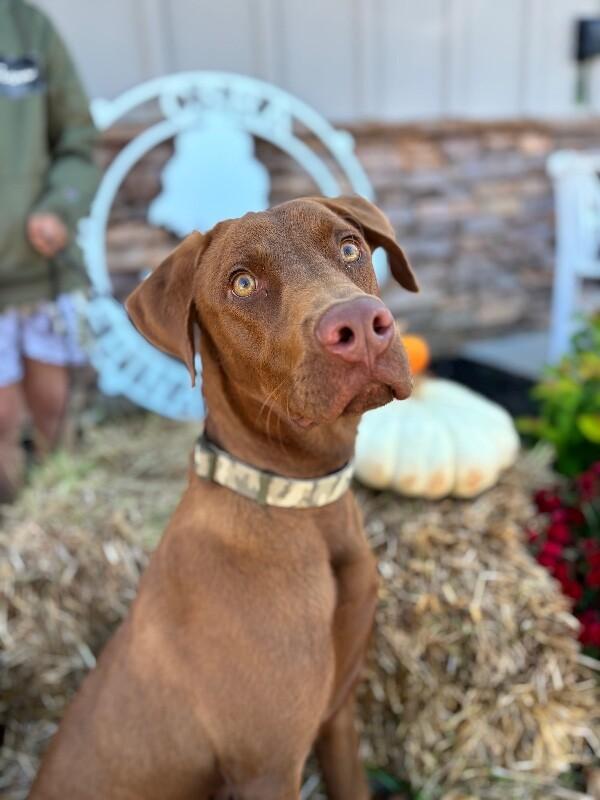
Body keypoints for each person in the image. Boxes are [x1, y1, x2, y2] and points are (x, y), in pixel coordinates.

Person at [0, 0, 100, 502]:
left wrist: (59, 208)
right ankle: (13, 522)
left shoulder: (27, 28)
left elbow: (78, 141)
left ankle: (57, 509)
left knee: (53, 400)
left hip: (39, 267)